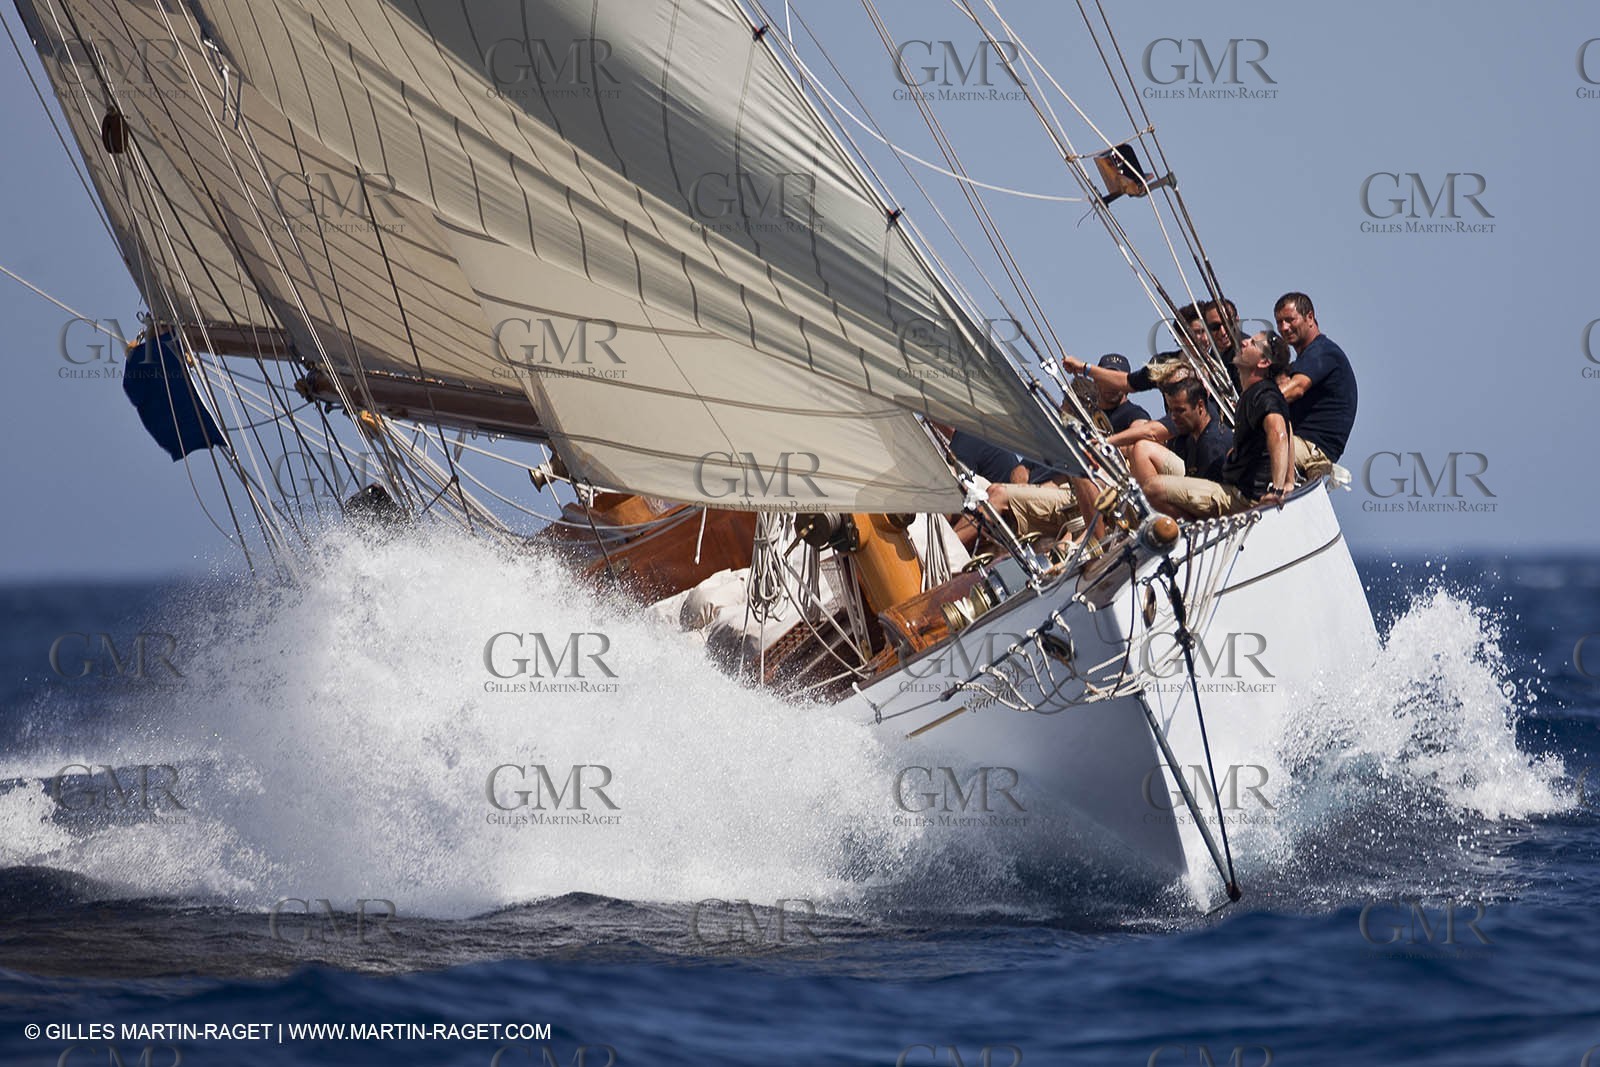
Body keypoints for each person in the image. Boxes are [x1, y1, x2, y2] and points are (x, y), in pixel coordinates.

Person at [1143, 331, 1294, 518]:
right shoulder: (1259, 393)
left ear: (1263, 362)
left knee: (1152, 488)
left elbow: (1279, 432)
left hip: (1244, 498)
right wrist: (1290, 480)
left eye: (1254, 343)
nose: (1245, 342)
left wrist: (1278, 490)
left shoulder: (1263, 395)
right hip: (1236, 489)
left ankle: (1193, 525)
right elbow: (1287, 426)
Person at [1273, 292, 1357, 478]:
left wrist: (1250, 406)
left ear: (1309, 317)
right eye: (1279, 322)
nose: (1284, 328)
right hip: (1299, 443)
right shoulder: (1302, 362)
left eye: (1290, 320)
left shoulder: (1323, 352)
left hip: (1312, 449)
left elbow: (1296, 389)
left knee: (1248, 452)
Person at [1127, 377, 1233, 500]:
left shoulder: (1213, 443)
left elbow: (1210, 498)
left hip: (1221, 501)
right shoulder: (1193, 438)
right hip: (1203, 492)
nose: (1173, 417)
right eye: (1171, 411)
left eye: (1180, 411)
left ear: (1200, 406)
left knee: (1153, 488)